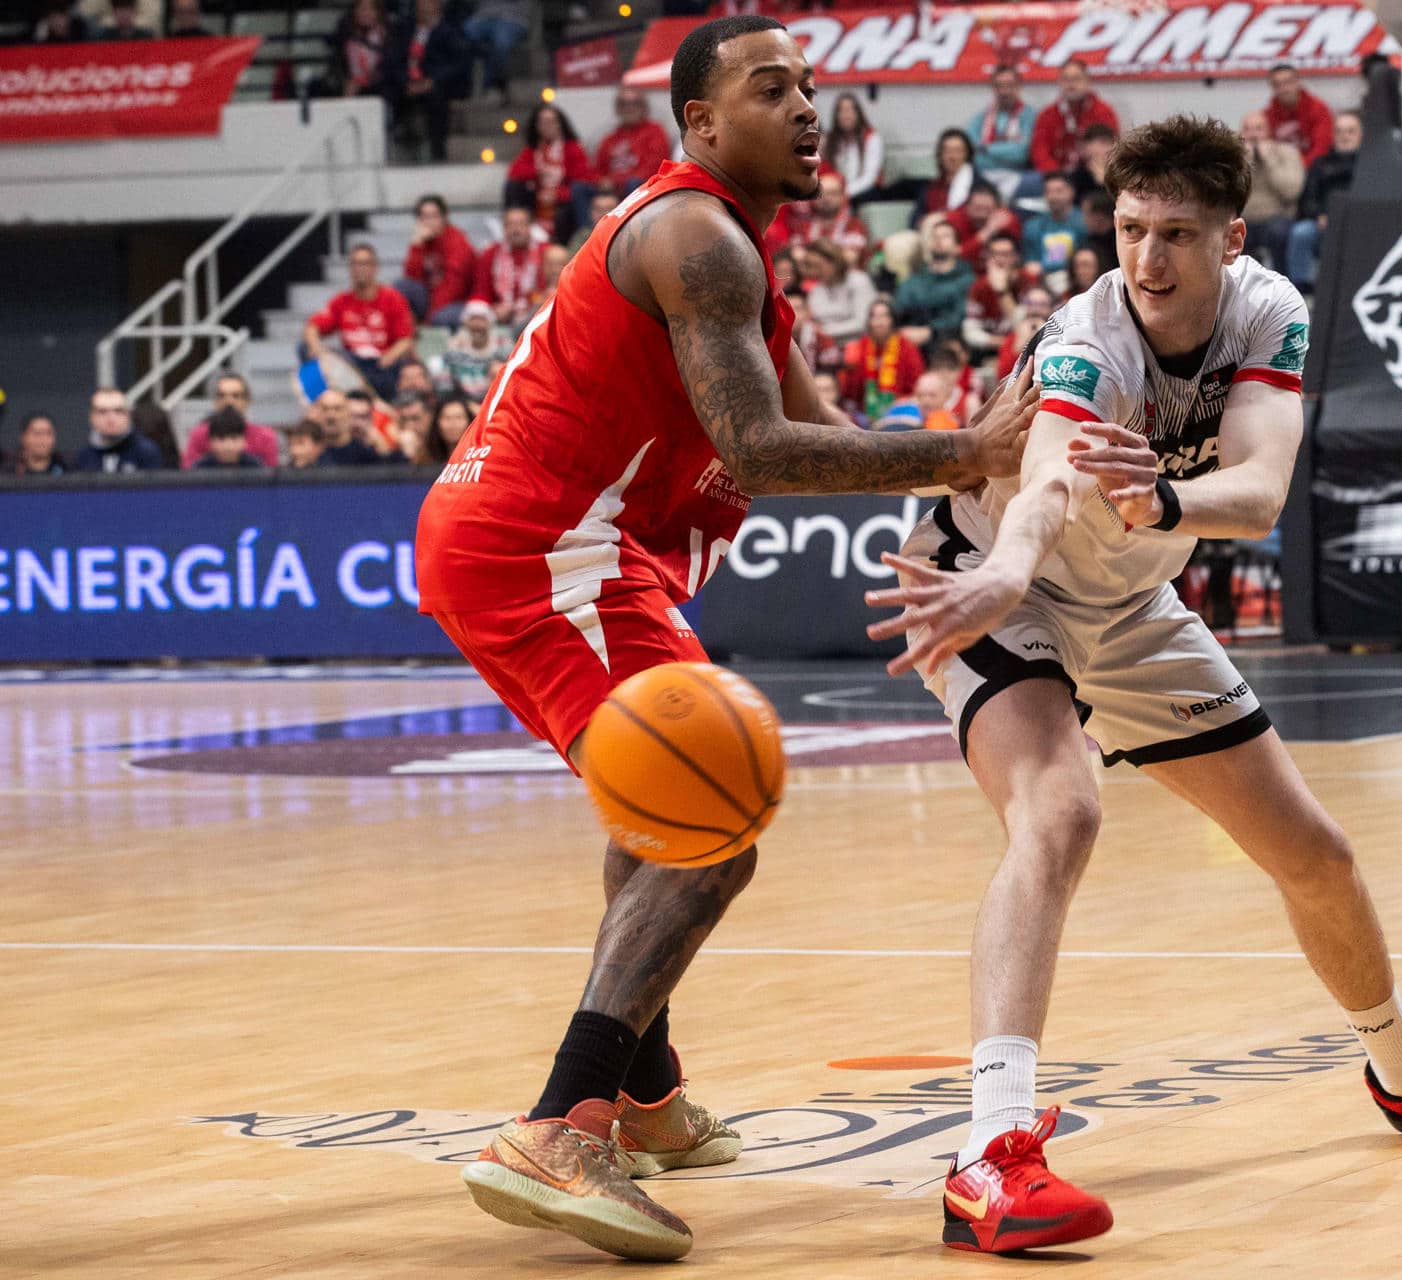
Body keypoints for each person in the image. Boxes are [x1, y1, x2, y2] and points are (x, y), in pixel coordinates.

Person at [866, 114, 1402, 1257]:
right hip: (1002, 589)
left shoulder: (1271, 310)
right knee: (1060, 808)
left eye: (1177, 234)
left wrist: (1165, 504)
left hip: (1134, 604)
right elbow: (1045, 483)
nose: (1146, 259)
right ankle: (987, 1155)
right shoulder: (1087, 338)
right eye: (1130, 228)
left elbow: (1260, 486)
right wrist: (1002, 568)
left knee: (1319, 853)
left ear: (1231, 236)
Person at [411, 17, 1035, 1263]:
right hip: (543, 543)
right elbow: (760, 452)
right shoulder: (695, 234)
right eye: (773, 89)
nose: (808, 107)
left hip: (567, 546)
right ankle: (559, 1124)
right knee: (712, 822)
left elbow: (826, 441)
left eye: (812, 87)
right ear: (701, 123)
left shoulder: (743, 265)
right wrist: (967, 449)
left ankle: (647, 1101)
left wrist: (967, 491)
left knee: (657, 810)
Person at [304, 242, 416, 401]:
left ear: (375, 268)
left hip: (381, 365)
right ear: (350, 269)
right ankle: (318, 403)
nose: (359, 268)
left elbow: (406, 340)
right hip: (351, 363)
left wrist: (389, 357)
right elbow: (313, 326)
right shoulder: (342, 301)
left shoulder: (392, 299)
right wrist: (316, 348)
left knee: (397, 366)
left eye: (364, 263)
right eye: (355, 264)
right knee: (305, 349)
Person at [383, 0, 469, 164]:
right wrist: (405, 82)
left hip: (435, 83)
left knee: (437, 99)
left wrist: (432, 81)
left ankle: (438, 151)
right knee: (386, 92)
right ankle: (397, 144)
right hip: (408, 83)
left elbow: (458, 63)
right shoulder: (405, 30)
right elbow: (394, 60)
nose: (422, 6)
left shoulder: (451, 31)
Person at [1288, 110, 1361, 292]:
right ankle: (1302, 290)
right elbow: (1307, 199)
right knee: (1300, 233)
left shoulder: (1370, 166)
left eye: (1350, 131)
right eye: (1340, 131)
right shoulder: (1320, 164)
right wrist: (1319, 216)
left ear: (1361, 135)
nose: (1344, 136)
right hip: (1321, 224)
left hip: (1358, 222)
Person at [506, 104, 596, 243]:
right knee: (513, 186)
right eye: (542, 122)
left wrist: (558, 194)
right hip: (537, 199)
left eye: (551, 121)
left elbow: (585, 181)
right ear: (536, 126)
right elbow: (514, 172)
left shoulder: (572, 148)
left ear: (560, 124)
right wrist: (538, 171)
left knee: (566, 210)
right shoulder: (532, 151)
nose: (547, 126)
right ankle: (514, 224)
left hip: (563, 202)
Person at [839, 297, 926, 421]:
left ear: (892, 320)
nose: (879, 322)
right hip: (865, 415)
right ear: (869, 322)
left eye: (884, 316)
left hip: (899, 412)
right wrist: (850, 368)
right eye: (874, 317)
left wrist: (902, 402)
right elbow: (850, 393)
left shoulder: (907, 348)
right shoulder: (860, 347)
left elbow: (916, 385)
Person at [894, 219, 975, 349]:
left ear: (958, 247)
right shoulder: (916, 278)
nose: (939, 240)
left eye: (945, 236)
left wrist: (930, 331)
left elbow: (960, 316)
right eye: (935, 236)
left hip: (947, 340)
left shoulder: (967, 280)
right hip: (909, 339)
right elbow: (899, 308)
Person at [399, 195, 478, 328]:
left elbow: (453, 287)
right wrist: (416, 247)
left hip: (459, 301)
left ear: (444, 218)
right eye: (424, 217)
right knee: (402, 286)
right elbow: (411, 279)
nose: (429, 222)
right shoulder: (421, 242)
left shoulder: (457, 242)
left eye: (434, 216)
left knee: (440, 317)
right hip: (430, 299)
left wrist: (428, 319)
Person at [1032, 59, 1121, 176]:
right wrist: (1054, 175)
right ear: (1059, 82)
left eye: (1077, 79)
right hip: (1055, 175)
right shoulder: (1047, 114)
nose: (1071, 85)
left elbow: (1111, 147)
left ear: (1087, 81)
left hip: (1092, 174)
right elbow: (1039, 150)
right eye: (1066, 80)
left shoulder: (1103, 111)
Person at [1240, 109, 1304, 271]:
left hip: (1277, 217)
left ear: (1269, 131)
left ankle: (1284, 282)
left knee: (1279, 233)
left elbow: (1291, 192)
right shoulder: (1235, 156)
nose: (1253, 135)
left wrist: (1269, 160)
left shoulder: (1287, 152)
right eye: (1248, 129)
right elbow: (1226, 192)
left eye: (1259, 129)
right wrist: (1244, 161)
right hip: (1244, 218)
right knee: (1226, 234)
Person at [963, 231, 1038, 361]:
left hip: (1025, 353)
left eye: (1006, 254)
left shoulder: (1029, 281)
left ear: (1016, 257)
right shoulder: (979, 287)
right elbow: (971, 333)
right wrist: (1004, 343)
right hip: (990, 352)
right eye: (995, 254)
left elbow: (1024, 328)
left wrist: (1002, 292)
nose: (1000, 259)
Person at [592, 86, 673, 204]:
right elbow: (598, 169)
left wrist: (617, 181)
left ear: (644, 107)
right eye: (624, 104)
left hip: (643, 187)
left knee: (633, 183)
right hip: (613, 189)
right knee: (580, 189)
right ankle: (586, 223)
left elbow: (655, 166)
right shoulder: (610, 139)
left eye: (635, 103)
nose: (629, 108)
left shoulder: (655, 131)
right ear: (618, 109)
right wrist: (601, 181)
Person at [182, 372, 280, 467]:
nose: (228, 401)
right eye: (221, 396)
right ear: (215, 401)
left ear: (247, 400)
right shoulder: (199, 435)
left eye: (235, 396)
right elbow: (189, 476)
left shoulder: (265, 437)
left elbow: (271, 479)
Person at [472, 206, 544, 330]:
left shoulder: (545, 252)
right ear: (503, 228)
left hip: (534, 314)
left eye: (521, 224)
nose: (516, 230)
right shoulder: (490, 254)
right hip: (499, 314)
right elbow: (481, 291)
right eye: (510, 225)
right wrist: (493, 310)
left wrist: (523, 307)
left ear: (530, 227)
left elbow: (549, 291)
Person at [75, 388, 167, 473]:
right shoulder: (84, 456)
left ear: (128, 415)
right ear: (92, 417)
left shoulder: (147, 452)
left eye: (118, 411)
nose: (111, 418)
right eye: (102, 411)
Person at [801, 240, 876, 345]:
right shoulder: (816, 289)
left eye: (818, 266)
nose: (814, 272)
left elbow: (863, 323)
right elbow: (812, 323)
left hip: (858, 346)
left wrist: (824, 331)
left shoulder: (859, 280)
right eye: (811, 267)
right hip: (826, 349)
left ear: (834, 262)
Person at [969, 66, 1035, 180]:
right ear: (993, 88)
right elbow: (970, 150)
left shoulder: (1030, 116)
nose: (1004, 91)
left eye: (1010, 85)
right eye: (999, 86)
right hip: (981, 176)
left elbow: (1021, 154)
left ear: (1019, 86)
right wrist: (1006, 150)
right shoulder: (980, 118)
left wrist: (985, 149)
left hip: (1017, 177)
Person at [436, 300, 511, 399]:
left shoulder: (504, 347)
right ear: (465, 323)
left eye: (482, 319)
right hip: (463, 402)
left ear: (490, 323)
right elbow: (445, 386)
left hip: (495, 399)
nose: (477, 324)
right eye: (473, 319)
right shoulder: (455, 349)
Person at [1262, 63, 1332, 168]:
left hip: (1313, 170)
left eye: (1288, 82)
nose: (1284, 89)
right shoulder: (1267, 115)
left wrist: (1298, 167)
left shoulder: (1318, 109)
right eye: (1277, 84)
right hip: (1279, 171)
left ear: (1298, 82)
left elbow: (1321, 148)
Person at [943, 182, 1022, 274]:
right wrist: (987, 232)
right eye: (977, 208)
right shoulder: (955, 220)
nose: (981, 215)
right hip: (961, 274)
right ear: (967, 207)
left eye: (987, 209)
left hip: (999, 273)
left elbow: (1013, 258)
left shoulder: (1007, 221)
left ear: (997, 208)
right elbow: (952, 255)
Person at [463, 0, 530, 107]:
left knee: (501, 44)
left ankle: (493, 86)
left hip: (511, 18)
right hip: (482, 18)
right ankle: (461, 86)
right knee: (460, 36)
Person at [1019, 171, 1084, 279]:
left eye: (1059, 191)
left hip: (1076, 278)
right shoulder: (1032, 227)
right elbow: (1031, 263)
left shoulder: (1084, 222)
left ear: (1071, 192)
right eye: (1048, 191)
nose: (1053, 197)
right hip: (1043, 281)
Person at [824, 92, 884, 200]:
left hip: (866, 191)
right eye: (841, 110)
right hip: (838, 191)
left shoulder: (872, 138)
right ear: (836, 116)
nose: (846, 115)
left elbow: (869, 178)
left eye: (850, 110)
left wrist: (844, 193)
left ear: (858, 113)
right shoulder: (832, 141)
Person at [325, 0, 387, 100]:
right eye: (361, 9)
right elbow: (339, 65)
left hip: (378, 86)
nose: (365, 13)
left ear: (378, 13)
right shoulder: (345, 34)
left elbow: (391, 70)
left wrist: (369, 79)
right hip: (350, 85)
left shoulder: (387, 36)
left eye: (371, 9)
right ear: (354, 11)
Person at [915, 128, 978, 223]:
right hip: (931, 232)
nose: (952, 157)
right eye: (947, 151)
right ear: (940, 156)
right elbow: (915, 218)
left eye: (958, 151)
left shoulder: (979, 186)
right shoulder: (931, 188)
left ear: (967, 155)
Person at [316, 388, 387, 465]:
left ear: (348, 413)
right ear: (317, 414)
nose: (331, 415)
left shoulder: (365, 454)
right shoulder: (309, 453)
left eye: (337, 409)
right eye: (325, 409)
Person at [192, 409, 264, 470]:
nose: (227, 446)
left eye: (234, 438)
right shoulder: (199, 468)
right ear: (210, 442)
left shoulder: (256, 466)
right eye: (221, 439)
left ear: (244, 441)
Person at [428, 394, 474, 464]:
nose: (453, 424)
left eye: (459, 417)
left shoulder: (478, 458)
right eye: (447, 418)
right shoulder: (426, 457)